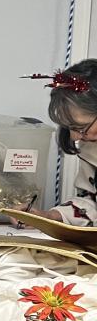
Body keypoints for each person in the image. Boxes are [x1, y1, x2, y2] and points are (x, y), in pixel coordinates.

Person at [27, 61, 97, 224]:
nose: (75, 137)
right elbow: (90, 201)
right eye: (69, 127)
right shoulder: (90, 148)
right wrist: (51, 217)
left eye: (81, 127)